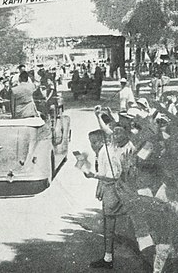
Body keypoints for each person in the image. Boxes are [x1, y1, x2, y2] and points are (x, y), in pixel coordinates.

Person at [80, 105, 135, 269]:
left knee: (127, 224)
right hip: (112, 189)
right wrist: (99, 116)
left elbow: (114, 177)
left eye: (118, 133)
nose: (114, 135)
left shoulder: (127, 149)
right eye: (114, 132)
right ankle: (108, 258)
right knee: (108, 224)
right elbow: (108, 129)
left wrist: (94, 176)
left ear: (127, 133)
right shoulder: (116, 141)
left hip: (119, 189)